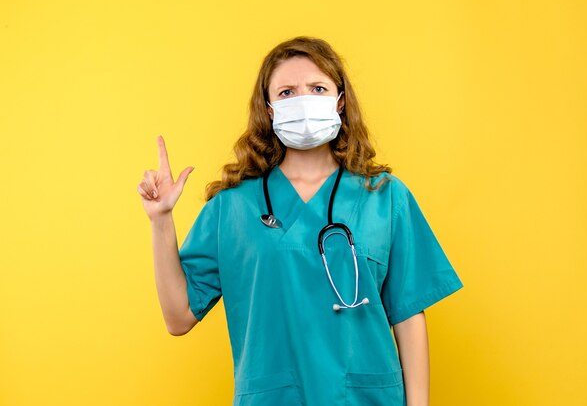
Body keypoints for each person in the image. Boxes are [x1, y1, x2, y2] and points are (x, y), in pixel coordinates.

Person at [138, 36, 464, 406]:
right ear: (270, 109)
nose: (303, 100)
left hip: (366, 397)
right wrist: (161, 220)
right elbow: (178, 317)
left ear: (340, 102)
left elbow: (408, 316)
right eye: (287, 92)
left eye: (318, 88)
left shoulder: (385, 197)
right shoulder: (233, 207)